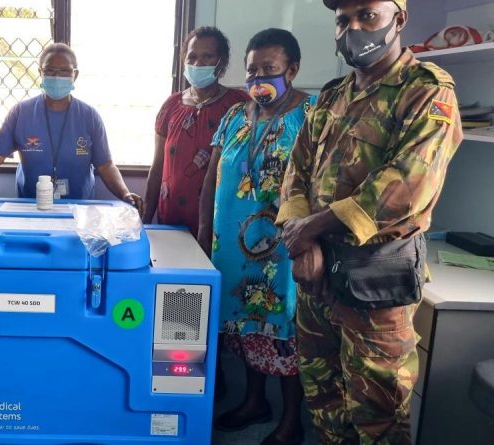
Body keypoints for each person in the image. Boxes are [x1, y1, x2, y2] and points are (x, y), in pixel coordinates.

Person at [276, 1, 462, 443]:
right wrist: (304, 244)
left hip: (376, 286)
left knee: (378, 414)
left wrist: (311, 230)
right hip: (317, 279)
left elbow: (406, 187)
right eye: (343, 19)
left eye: (367, 15)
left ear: (398, 19)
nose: (352, 28)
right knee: (324, 399)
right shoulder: (332, 95)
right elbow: (295, 175)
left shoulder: (427, 91)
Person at [199, 28, 312, 445]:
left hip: (282, 247)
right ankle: (253, 401)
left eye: (269, 68)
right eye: (252, 70)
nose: (258, 77)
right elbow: (212, 177)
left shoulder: (311, 114)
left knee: (282, 329)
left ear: (292, 69)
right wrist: (203, 229)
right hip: (231, 245)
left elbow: (322, 183)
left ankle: (290, 420)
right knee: (245, 327)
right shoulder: (234, 116)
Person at [0, 43, 142, 211]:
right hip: (30, 207)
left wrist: (124, 193)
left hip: (79, 210)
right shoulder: (21, 112)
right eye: (50, 70)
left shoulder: (89, 117)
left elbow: (105, 165)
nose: (57, 76)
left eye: (64, 71)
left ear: (75, 75)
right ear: (40, 73)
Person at [144, 26, 248, 235]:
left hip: (218, 223)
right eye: (192, 57)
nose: (198, 63)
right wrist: (145, 222)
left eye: (207, 56)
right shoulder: (171, 106)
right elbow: (157, 167)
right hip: (170, 219)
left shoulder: (239, 106)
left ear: (222, 62)